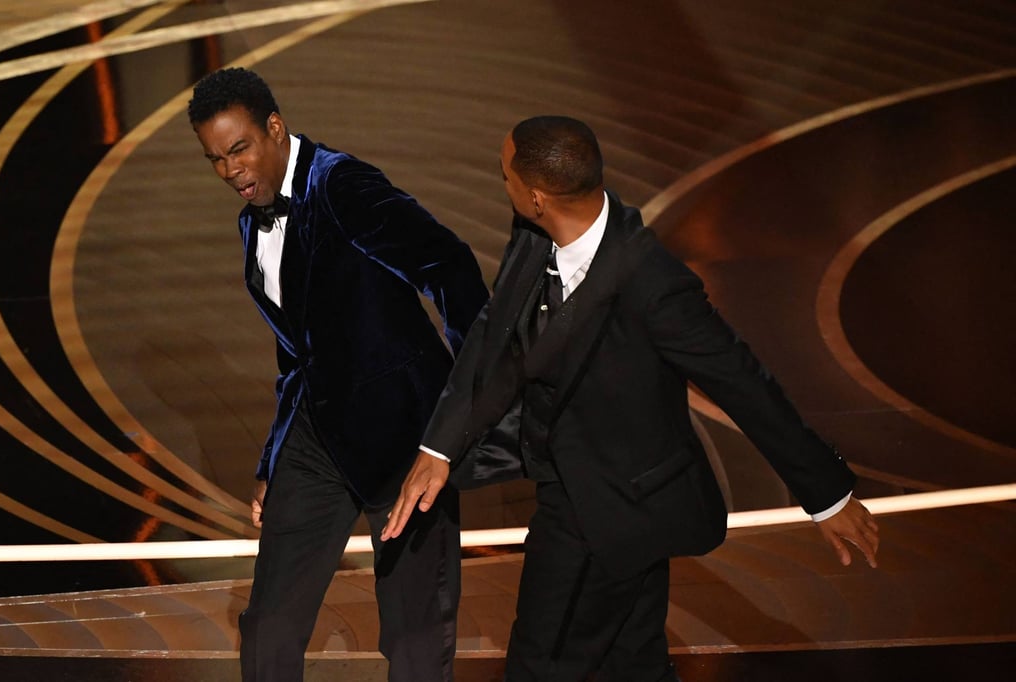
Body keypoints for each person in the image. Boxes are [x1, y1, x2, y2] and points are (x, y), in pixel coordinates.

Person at [382, 115, 880, 681]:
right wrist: (442, 446)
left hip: (608, 506)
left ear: (538, 197)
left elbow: (743, 382)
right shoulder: (533, 234)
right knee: (633, 663)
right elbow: (496, 335)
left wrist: (827, 496)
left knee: (540, 667)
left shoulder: (653, 284)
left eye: (506, 176)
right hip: (596, 496)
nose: (504, 184)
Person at [187, 67, 488, 682]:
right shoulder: (253, 221)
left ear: (275, 128)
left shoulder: (342, 185)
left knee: (413, 636)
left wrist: (458, 416)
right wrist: (273, 462)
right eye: (215, 159)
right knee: (268, 625)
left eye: (239, 149)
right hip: (317, 440)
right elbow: (297, 350)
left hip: (405, 442)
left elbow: (451, 267)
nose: (231, 171)